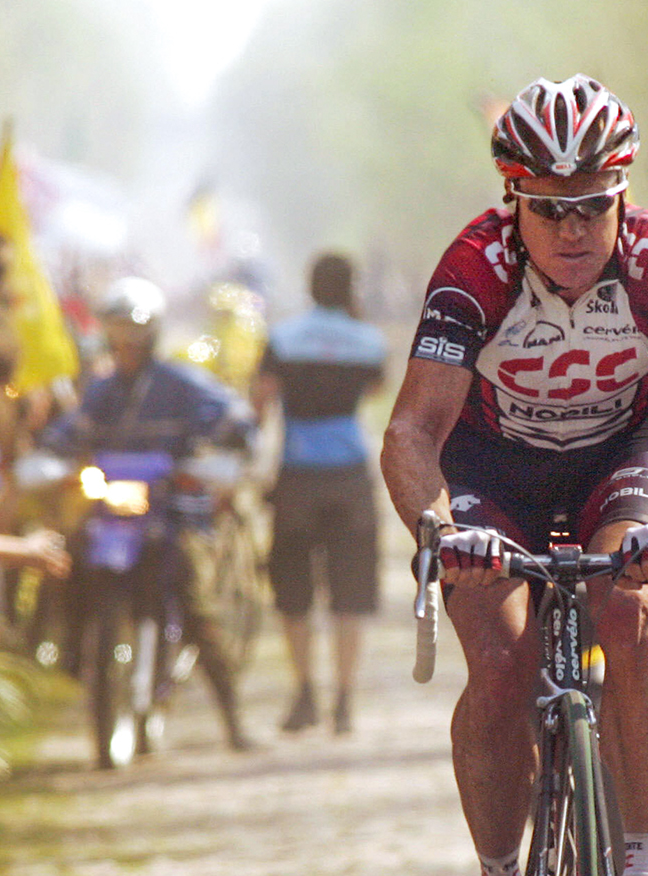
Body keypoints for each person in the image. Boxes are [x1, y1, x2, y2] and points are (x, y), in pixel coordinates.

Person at [378, 75, 648, 876]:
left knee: (631, 610)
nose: (575, 229)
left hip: (619, 457)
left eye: (594, 204)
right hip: (491, 466)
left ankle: (646, 867)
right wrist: (439, 529)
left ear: (623, 192)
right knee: (500, 660)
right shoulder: (476, 266)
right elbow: (412, 431)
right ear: (515, 199)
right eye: (550, 209)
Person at [39, 277, 256, 755]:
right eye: (118, 334)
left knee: (196, 605)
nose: (127, 345)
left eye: (134, 334)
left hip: (173, 513)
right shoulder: (101, 391)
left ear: (152, 333)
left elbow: (235, 417)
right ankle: (68, 650)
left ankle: (233, 719)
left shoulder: (183, 384)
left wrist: (225, 446)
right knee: (64, 564)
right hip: (112, 516)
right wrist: (49, 453)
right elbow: (69, 431)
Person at [254, 252, 387, 736]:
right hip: (350, 475)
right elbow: (375, 390)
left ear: (310, 287)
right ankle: (345, 700)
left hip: (297, 474)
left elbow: (262, 397)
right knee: (350, 593)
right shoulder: (369, 340)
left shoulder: (283, 337)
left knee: (294, 593)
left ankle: (305, 692)